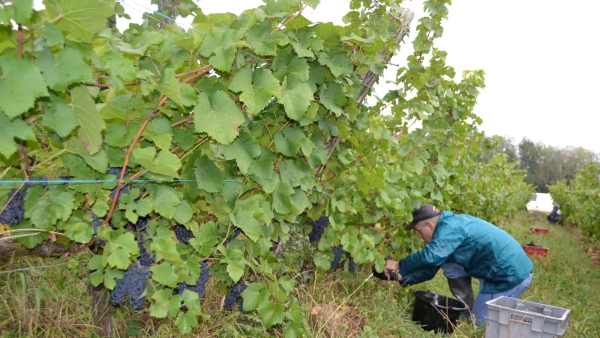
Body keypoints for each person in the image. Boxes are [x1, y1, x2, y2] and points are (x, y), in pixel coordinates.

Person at [377, 204, 533, 327]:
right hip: (496, 272)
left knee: (479, 325)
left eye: (418, 230)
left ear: (430, 225)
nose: (418, 235)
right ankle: (467, 308)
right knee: (450, 264)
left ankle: (529, 324)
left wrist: (398, 264)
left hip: (509, 276)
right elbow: (430, 268)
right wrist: (399, 277)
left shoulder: (451, 228)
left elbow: (431, 257)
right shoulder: (447, 229)